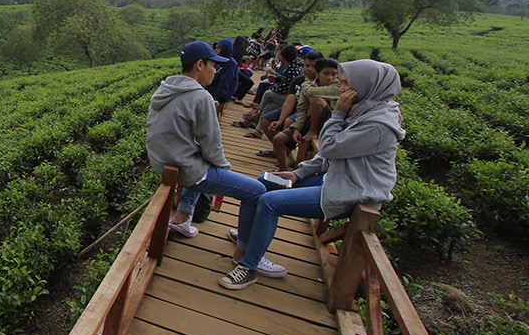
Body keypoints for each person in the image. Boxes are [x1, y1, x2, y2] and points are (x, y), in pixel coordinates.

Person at [219, 59, 406, 290]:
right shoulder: (364, 109)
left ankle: (249, 266)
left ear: (369, 86)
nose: (342, 89)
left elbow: (329, 148)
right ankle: (248, 242)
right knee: (263, 182)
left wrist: (337, 115)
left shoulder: (378, 125)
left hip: (351, 191)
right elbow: (330, 156)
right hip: (333, 178)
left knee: (269, 202)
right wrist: (298, 173)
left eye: (347, 84)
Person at [146, 42, 279, 277]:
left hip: (164, 162)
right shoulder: (200, 97)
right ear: (200, 65)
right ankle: (246, 254)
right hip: (186, 168)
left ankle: (183, 217)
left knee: (204, 161)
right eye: (213, 66)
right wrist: (225, 169)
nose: (216, 71)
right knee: (256, 191)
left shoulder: (165, 88)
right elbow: (212, 145)